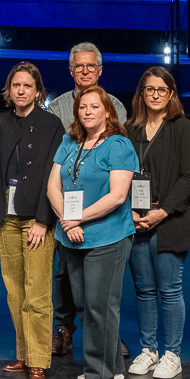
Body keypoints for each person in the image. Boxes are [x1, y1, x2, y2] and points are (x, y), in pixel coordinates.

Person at [48, 89, 138, 379]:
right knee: (86, 306)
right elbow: (53, 187)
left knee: (102, 306)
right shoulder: (68, 142)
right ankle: (113, 366)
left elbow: (118, 196)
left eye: (94, 106)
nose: (87, 111)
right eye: (82, 107)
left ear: (107, 112)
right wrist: (66, 220)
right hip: (71, 235)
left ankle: (98, 373)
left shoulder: (118, 145)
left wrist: (79, 218)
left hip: (107, 237)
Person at [46, 42, 128, 358]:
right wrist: (67, 214)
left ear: (100, 70)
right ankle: (64, 330)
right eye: (78, 67)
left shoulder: (116, 107)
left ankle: (109, 337)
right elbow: (55, 161)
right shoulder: (58, 108)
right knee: (64, 276)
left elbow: (118, 159)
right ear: (71, 71)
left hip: (102, 208)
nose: (84, 71)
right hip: (64, 208)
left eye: (90, 66)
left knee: (102, 284)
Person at [0, 61, 65, 379]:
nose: (21, 91)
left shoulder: (52, 125)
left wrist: (43, 220)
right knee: (14, 292)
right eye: (16, 86)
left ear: (37, 91)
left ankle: (38, 361)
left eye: (27, 86)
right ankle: (23, 353)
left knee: (37, 295)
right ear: (10, 90)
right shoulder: (0, 123)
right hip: (7, 218)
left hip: (36, 219)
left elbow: (53, 175)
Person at [123, 66, 190, 379]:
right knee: (144, 289)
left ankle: (172, 354)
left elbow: (189, 176)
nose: (155, 95)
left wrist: (163, 211)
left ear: (171, 94)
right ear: (142, 93)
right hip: (136, 219)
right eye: (149, 89)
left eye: (161, 90)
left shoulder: (182, 127)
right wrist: (130, 210)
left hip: (171, 220)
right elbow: (123, 174)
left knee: (169, 289)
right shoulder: (129, 129)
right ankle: (149, 350)